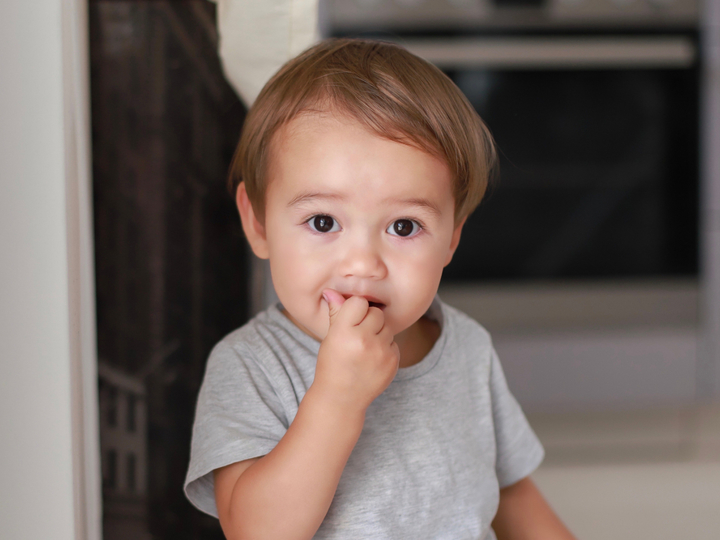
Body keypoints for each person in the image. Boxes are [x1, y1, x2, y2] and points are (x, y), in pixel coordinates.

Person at [184, 38, 576, 540]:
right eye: (323, 221)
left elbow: (513, 494)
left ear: (452, 237)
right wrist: (336, 400)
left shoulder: (467, 348)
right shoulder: (252, 365)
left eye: (404, 227)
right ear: (257, 223)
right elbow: (256, 532)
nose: (363, 264)